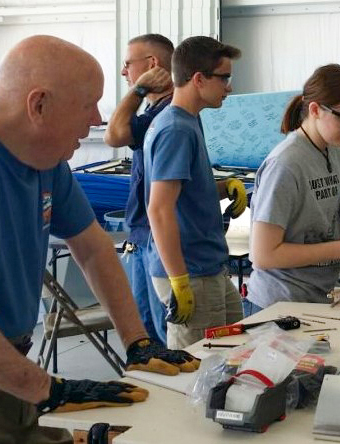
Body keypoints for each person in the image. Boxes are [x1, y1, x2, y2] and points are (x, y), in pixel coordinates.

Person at [0, 35, 199, 443]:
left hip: (13, 361)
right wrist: (47, 390)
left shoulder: (46, 160)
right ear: (38, 105)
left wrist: (138, 342)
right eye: (88, 102)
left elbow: (92, 247)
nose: (97, 119)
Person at [244, 64, 340, 316]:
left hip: (316, 302)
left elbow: (329, 223)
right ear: (315, 110)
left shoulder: (336, 153)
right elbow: (264, 254)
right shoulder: (286, 165)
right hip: (277, 307)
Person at [144, 36, 246, 349]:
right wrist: (179, 280)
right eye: (224, 78)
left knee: (230, 350)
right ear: (199, 79)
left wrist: (224, 188)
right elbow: (159, 209)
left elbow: (186, 191)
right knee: (199, 369)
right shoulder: (176, 130)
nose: (228, 87)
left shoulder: (190, 121)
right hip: (191, 272)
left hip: (207, 266)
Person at [104, 34, 175, 344]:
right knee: (146, 331)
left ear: (151, 65)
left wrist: (139, 87)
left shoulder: (166, 115)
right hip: (142, 236)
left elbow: (114, 134)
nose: (124, 72)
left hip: (154, 239)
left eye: (128, 65)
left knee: (161, 331)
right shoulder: (153, 114)